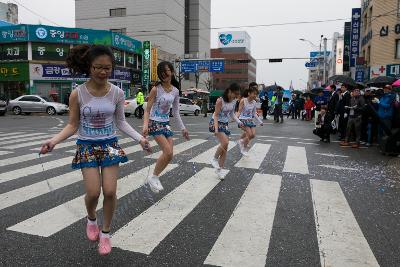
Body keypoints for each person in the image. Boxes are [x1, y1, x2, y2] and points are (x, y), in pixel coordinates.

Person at [39, 45, 151, 256]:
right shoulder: (77, 94)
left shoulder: (117, 93)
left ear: (112, 69)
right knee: (93, 192)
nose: (102, 72)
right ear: (89, 67)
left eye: (107, 68)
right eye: (98, 67)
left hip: (109, 144)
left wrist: (140, 139)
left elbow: (121, 122)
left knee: (109, 191)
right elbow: (73, 125)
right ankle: (91, 217)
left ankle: (106, 233)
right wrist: (53, 141)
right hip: (87, 146)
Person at [143, 61, 189, 193]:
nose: (164, 75)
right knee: (167, 151)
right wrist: (145, 126)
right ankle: (154, 178)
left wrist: (183, 128)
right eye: (161, 73)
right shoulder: (155, 89)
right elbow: (147, 110)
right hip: (154, 122)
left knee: (169, 155)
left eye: (167, 72)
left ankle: (154, 177)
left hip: (166, 124)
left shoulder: (175, 91)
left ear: (172, 72)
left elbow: (175, 112)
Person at [209, 83, 243, 178]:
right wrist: (216, 129)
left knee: (225, 148)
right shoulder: (220, 101)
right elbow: (215, 115)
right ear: (229, 91)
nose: (236, 96)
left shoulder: (234, 101)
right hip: (216, 122)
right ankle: (214, 159)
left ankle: (219, 170)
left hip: (224, 124)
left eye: (237, 95)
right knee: (225, 142)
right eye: (235, 94)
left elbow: (232, 114)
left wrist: (239, 122)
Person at [236, 83, 264, 155]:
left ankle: (241, 141)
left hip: (250, 120)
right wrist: (236, 119)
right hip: (243, 119)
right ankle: (243, 149)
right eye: (254, 94)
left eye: (256, 94)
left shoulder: (254, 102)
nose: (255, 96)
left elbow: (254, 113)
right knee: (249, 134)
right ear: (249, 93)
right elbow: (239, 111)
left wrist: (260, 121)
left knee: (253, 135)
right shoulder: (243, 100)